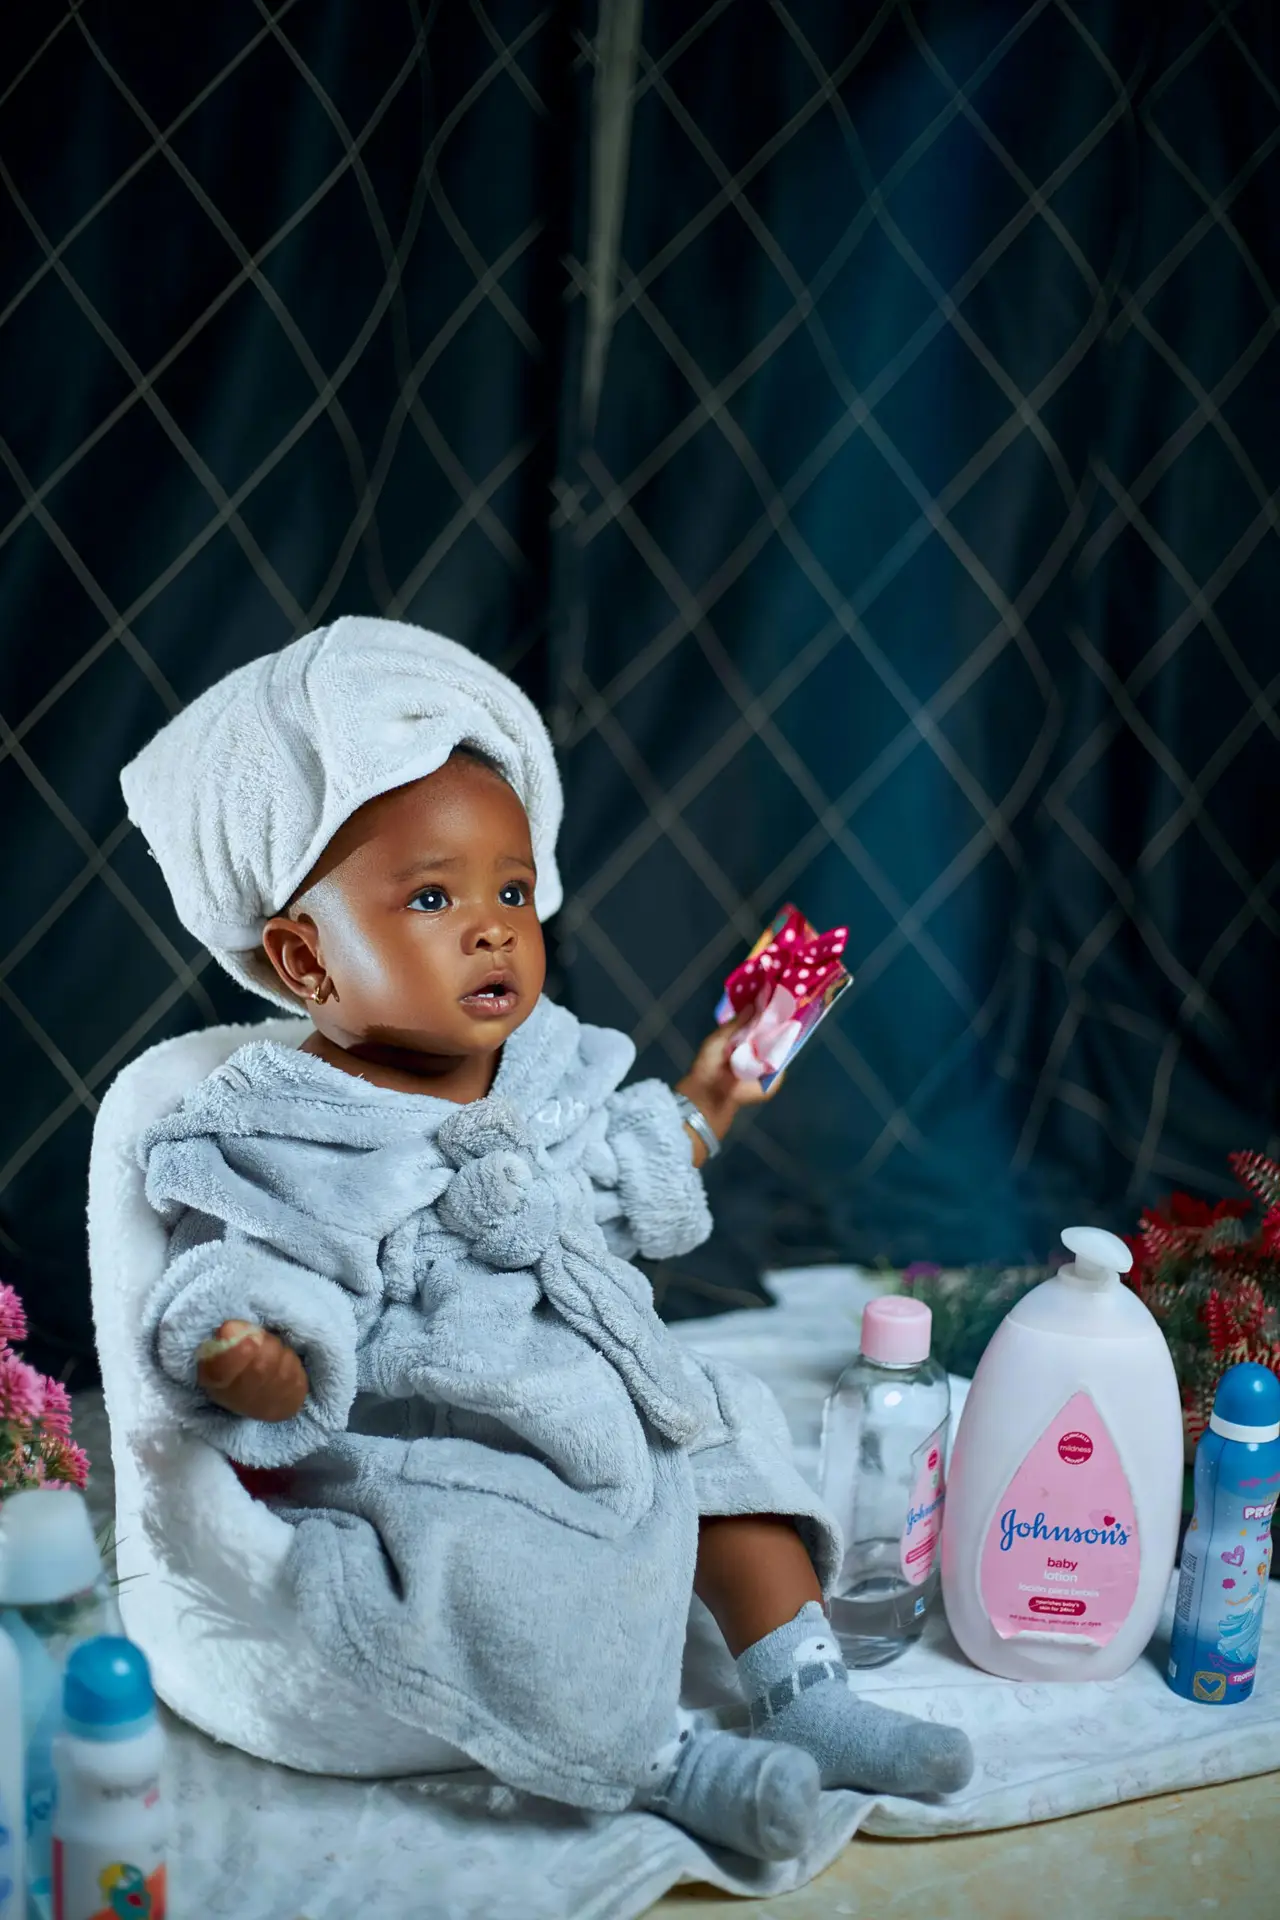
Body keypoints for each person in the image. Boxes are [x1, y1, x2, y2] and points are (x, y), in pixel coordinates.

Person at [123, 617, 972, 1862]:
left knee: (725, 1426)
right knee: (496, 1565)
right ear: (306, 958)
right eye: (431, 896)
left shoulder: (539, 1064)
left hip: (586, 1385)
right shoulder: (280, 1126)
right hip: (435, 1436)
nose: (492, 926)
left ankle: (809, 1694)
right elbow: (238, 1263)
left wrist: (716, 1089)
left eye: (510, 890)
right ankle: (658, 1759)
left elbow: (619, 1166)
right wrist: (260, 1355)